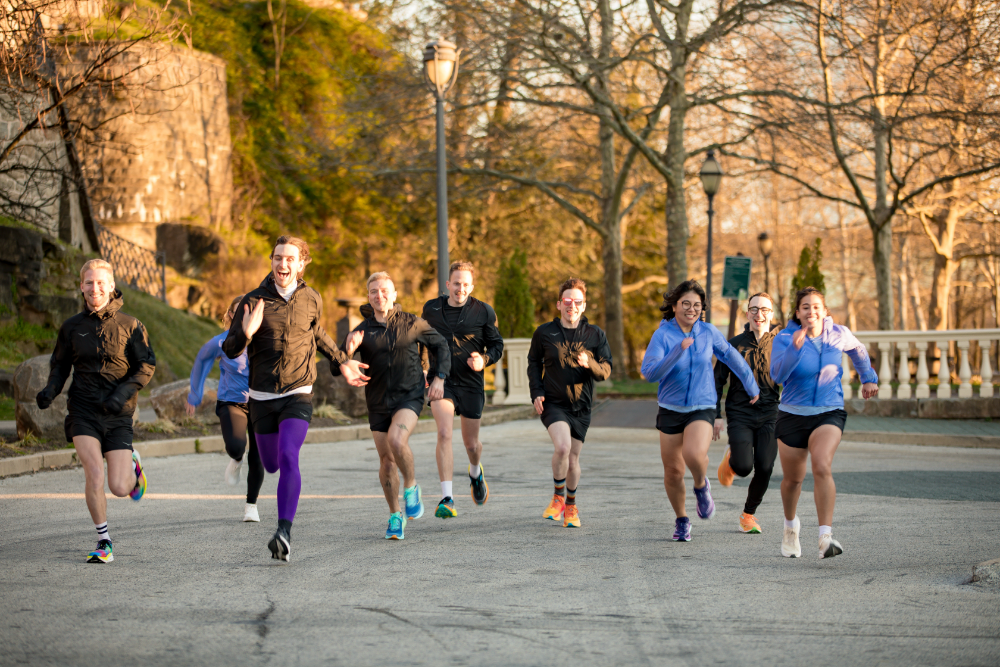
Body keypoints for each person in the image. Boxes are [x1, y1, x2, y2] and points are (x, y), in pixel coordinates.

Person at [223, 236, 369, 562]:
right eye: (277, 258)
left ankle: (284, 533)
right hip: (261, 396)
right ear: (272, 261)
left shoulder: (312, 298)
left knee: (289, 456)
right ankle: (282, 524)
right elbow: (230, 348)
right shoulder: (253, 301)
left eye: (290, 259)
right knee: (272, 464)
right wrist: (245, 334)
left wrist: (342, 361)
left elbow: (317, 334)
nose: (282, 265)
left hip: (298, 392)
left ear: (302, 263)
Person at [35, 259, 155, 563]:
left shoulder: (131, 325)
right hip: (83, 410)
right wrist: (51, 391)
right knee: (94, 472)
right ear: (81, 287)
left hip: (118, 414)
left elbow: (145, 366)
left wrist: (123, 393)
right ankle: (104, 541)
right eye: (89, 282)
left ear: (111, 285)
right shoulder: (72, 327)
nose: (95, 288)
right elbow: (60, 364)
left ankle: (132, 467)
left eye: (101, 282)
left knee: (118, 486)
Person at [641, 280, 759, 542]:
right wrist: (675, 353)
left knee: (693, 453)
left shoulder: (707, 332)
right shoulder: (663, 335)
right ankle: (682, 520)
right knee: (672, 471)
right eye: (686, 304)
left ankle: (701, 485)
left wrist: (751, 385)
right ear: (674, 306)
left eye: (697, 305)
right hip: (670, 408)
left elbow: (730, 355)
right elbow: (649, 373)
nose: (691, 309)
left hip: (702, 405)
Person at [770, 286, 877, 559]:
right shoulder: (785, 338)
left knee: (821, 465)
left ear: (824, 310)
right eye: (805, 307)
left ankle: (825, 537)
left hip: (828, 411)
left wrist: (868, 377)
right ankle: (790, 527)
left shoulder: (838, 333)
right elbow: (777, 375)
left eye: (816, 306)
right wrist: (794, 348)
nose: (811, 311)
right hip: (792, 414)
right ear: (798, 312)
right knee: (793, 480)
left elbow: (858, 350)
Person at [343, 272, 451, 540]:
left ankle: (412, 486)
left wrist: (439, 377)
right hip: (377, 402)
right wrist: (347, 352)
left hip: (409, 396)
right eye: (373, 292)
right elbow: (340, 366)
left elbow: (441, 346)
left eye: (384, 290)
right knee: (386, 462)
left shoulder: (412, 323)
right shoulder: (361, 330)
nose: (379, 296)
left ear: (393, 295)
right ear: (368, 297)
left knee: (396, 439)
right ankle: (395, 515)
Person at [421, 261, 504, 518]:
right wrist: (423, 368)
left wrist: (484, 359)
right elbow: (420, 340)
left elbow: (496, 345)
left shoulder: (483, 311)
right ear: (448, 285)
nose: (461, 289)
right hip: (440, 381)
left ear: (472, 286)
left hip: (471, 383)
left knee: (471, 444)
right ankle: (447, 498)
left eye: (466, 284)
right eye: (456, 283)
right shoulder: (431, 309)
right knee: (444, 433)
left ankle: (475, 471)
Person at [528, 278, 612, 529]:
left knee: (574, 459)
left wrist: (590, 364)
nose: (571, 305)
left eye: (577, 302)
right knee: (563, 448)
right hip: (553, 403)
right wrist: (537, 391)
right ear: (559, 304)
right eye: (567, 301)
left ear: (583, 306)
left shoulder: (595, 335)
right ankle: (557, 497)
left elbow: (606, 370)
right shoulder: (544, 332)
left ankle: (571, 505)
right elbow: (534, 363)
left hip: (582, 407)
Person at [186, 295, 263, 522]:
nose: (245, 317)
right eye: (239, 312)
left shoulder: (265, 342)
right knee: (236, 446)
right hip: (232, 401)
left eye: (249, 312)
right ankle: (237, 458)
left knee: (258, 455)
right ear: (230, 315)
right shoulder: (222, 341)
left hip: (261, 402)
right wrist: (195, 393)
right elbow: (202, 360)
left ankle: (251, 506)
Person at [713, 292, 780, 534]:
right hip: (740, 412)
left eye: (764, 310)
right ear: (747, 313)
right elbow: (717, 381)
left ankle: (748, 515)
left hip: (770, 413)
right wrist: (716, 416)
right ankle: (733, 458)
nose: (759, 314)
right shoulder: (733, 344)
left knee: (765, 466)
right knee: (743, 467)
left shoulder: (781, 345)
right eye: (754, 309)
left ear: (771, 314)